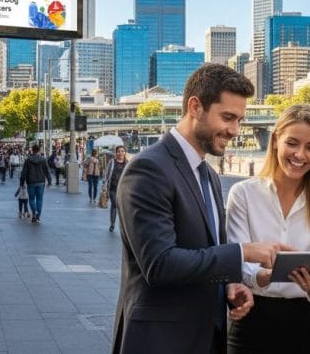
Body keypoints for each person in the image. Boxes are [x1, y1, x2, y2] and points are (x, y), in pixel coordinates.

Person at [112, 63, 293, 354]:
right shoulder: (148, 169)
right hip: (161, 341)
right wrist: (243, 252)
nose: (234, 130)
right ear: (195, 107)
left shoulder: (208, 174)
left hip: (205, 338)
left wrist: (230, 285)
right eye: (228, 117)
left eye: (239, 120)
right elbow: (160, 264)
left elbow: (206, 250)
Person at [225, 105, 310, 354]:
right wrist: (266, 275)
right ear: (275, 140)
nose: (300, 155)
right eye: (292, 143)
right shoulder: (243, 194)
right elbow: (237, 263)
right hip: (251, 319)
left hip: (303, 323)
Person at [20, 143, 52, 224]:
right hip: (41, 182)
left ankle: (34, 212)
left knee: (31, 199)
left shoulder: (28, 160)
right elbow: (47, 171)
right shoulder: (43, 159)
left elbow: (24, 172)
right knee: (39, 199)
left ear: (32, 150)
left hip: (31, 182)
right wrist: (49, 181)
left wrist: (22, 182)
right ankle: (37, 216)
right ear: (39, 150)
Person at [104, 146, 128, 232]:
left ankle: (123, 225)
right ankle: (112, 224)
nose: (120, 153)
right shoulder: (112, 162)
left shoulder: (128, 163)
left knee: (123, 207)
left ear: (125, 152)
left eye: (122, 151)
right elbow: (107, 173)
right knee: (114, 204)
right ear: (116, 153)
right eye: (118, 151)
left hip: (124, 189)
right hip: (113, 188)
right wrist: (104, 184)